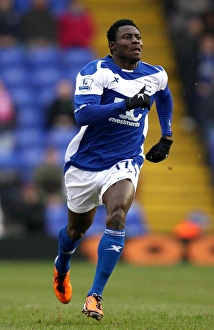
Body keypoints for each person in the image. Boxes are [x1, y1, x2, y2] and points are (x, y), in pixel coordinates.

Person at [53, 18, 173, 321]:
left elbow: (165, 95)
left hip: (125, 160)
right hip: (85, 163)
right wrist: (126, 103)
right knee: (75, 230)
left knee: (118, 213)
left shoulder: (155, 74)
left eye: (139, 37)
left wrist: (167, 136)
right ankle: (62, 265)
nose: (137, 42)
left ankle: (95, 296)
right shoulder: (96, 72)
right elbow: (83, 115)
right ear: (112, 45)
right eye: (128, 37)